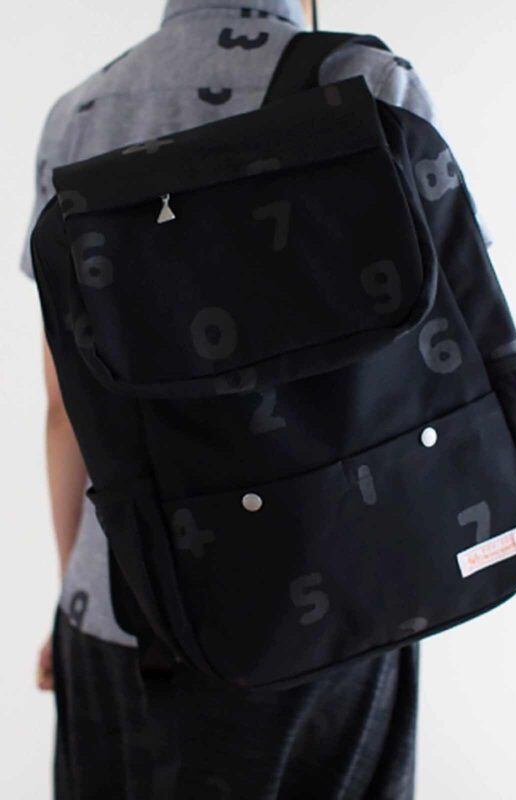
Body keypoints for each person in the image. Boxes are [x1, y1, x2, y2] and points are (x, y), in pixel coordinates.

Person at [22, 2, 438, 797]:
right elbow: (439, 357)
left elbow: (64, 404)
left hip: (113, 609)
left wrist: (74, 593)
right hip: (323, 611)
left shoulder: (78, 113)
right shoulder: (366, 82)